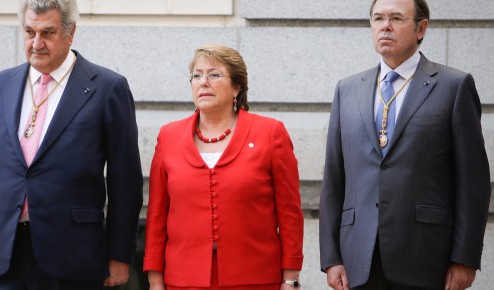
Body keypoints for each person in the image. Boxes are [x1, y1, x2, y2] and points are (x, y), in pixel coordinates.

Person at [0, 0, 143, 289]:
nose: (36, 43)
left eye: (47, 33)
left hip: (74, 257)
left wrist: (119, 254)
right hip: (4, 252)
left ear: (70, 32)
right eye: (29, 32)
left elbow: (125, 180)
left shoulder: (108, 88)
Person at [319, 0, 491, 289]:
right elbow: (334, 179)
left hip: (426, 256)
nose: (385, 26)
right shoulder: (347, 90)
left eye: (396, 18)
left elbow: (473, 182)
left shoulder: (453, 86)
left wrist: (465, 258)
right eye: (378, 18)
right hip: (358, 259)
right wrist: (331, 256)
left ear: (420, 28)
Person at [143, 44, 304, 290]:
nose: (203, 82)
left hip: (256, 279)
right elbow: (157, 216)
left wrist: (290, 279)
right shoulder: (169, 137)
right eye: (197, 75)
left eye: (214, 74)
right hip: (183, 280)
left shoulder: (270, 133)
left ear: (236, 87)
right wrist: (155, 281)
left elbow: (290, 214)